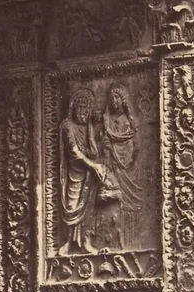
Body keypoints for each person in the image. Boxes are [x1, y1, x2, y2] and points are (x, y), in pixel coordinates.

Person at [57, 88, 107, 255]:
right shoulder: (67, 126)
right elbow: (74, 152)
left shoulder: (88, 127)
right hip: (74, 172)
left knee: (89, 209)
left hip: (88, 176)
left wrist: (92, 128)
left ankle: (86, 242)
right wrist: (93, 166)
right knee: (72, 205)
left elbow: (93, 152)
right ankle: (68, 242)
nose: (83, 112)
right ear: (73, 108)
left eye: (86, 109)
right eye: (80, 108)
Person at [99, 82, 143, 250]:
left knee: (129, 204)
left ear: (124, 100)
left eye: (117, 98)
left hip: (127, 166)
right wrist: (105, 144)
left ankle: (130, 243)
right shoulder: (107, 121)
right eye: (112, 99)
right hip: (112, 164)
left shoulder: (127, 122)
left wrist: (125, 154)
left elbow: (134, 144)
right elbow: (103, 144)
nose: (114, 102)